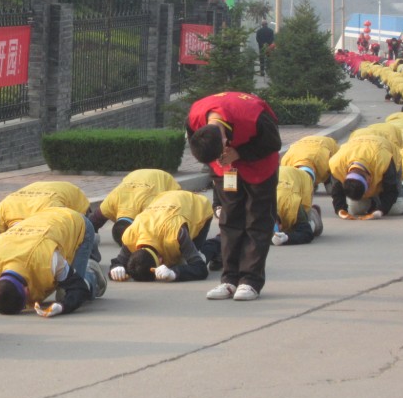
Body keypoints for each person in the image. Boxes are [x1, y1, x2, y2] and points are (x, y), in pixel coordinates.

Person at [187, 92, 281, 301]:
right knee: (229, 221)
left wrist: (239, 154)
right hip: (226, 171)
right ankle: (229, 280)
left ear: (225, 139)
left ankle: (250, 281)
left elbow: (274, 143)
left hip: (259, 166)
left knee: (256, 221)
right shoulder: (195, 117)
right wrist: (220, 164)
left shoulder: (253, 116)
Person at [0, 207, 103, 318]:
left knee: (66, 293)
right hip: (42, 221)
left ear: (26, 292)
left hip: (76, 223)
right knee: (62, 284)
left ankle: (92, 273)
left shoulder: (47, 259)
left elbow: (78, 288)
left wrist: (63, 307)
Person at [109, 190, 212, 282]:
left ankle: (218, 243)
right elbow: (119, 261)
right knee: (179, 262)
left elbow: (200, 268)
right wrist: (116, 268)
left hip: (197, 204)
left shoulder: (176, 234)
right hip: (164, 198)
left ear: (160, 260)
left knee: (193, 259)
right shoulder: (131, 236)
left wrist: (174, 273)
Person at [328, 134, 403, 219]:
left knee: (397, 208)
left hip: (389, 156)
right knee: (355, 209)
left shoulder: (383, 160)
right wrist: (341, 210)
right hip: (356, 150)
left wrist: (380, 211)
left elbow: (391, 191)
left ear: (369, 180)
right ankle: (375, 202)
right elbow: (337, 192)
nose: (366, 194)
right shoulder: (336, 164)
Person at [88, 169, 180, 245]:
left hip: (163, 178)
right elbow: (93, 222)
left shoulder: (149, 208)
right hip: (135, 174)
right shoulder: (111, 203)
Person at [0, 181, 91, 233]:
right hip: (41, 191)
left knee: (83, 233)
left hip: (71, 193)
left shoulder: (52, 211)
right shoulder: (1, 210)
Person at [270, 166, 324, 245]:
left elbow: (307, 234)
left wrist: (286, 238)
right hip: (279, 175)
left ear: (280, 225)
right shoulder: (257, 210)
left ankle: (313, 214)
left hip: (302, 179)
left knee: (312, 228)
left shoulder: (292, 205)